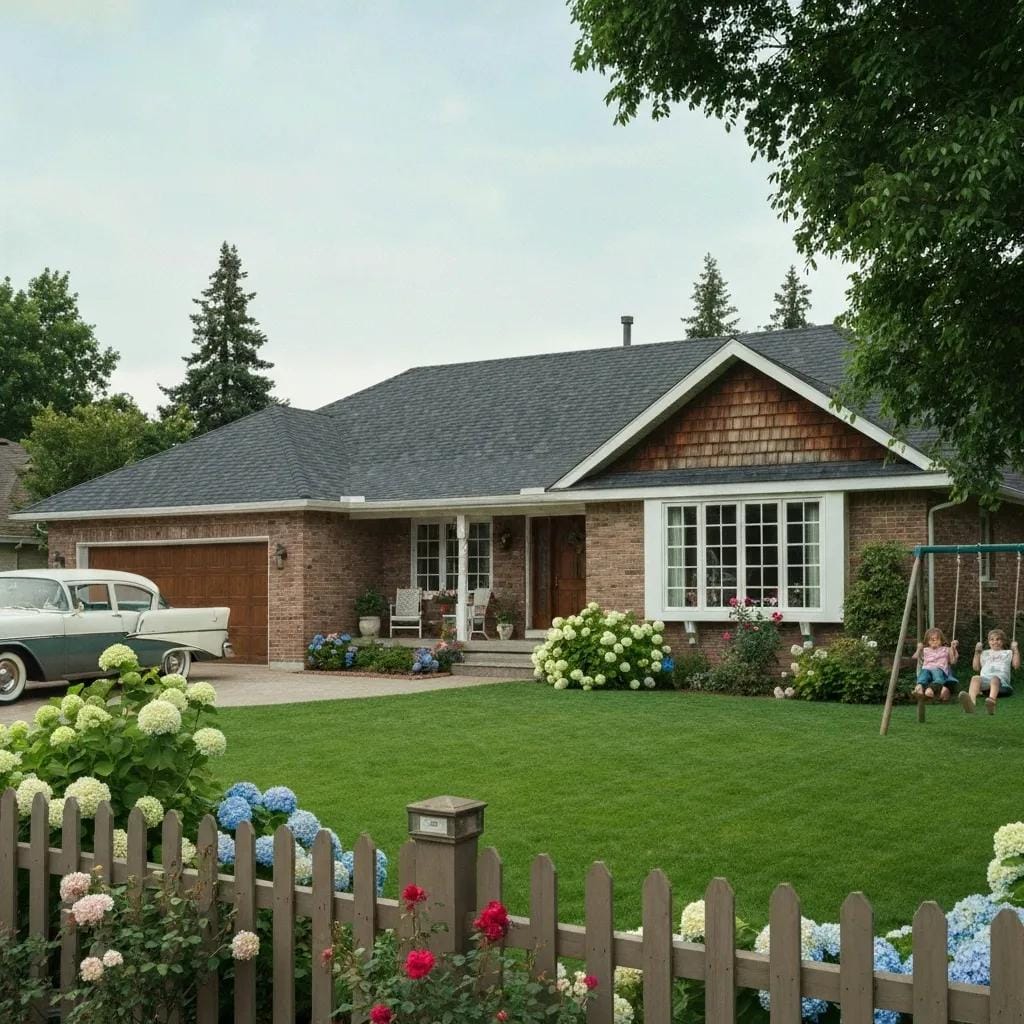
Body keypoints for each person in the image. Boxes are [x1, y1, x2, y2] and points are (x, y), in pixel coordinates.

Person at [959, 629, 1021, 715]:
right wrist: (977, 653)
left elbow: (1016, 665)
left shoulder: (1008, 652)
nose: (995, 642)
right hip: (986, 683)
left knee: (994, 679)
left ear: (1003, 641)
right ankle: (971, 703)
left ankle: (991, 702)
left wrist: (1016, 650)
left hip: (1002, 684)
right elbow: (976, 668)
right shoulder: (984, 653)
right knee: (975, 678)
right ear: (988, 642)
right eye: (992, 639)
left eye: (998, 639)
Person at [912, 627, 959, 702]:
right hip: (926, 669)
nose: (934, 641)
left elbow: (953, 661)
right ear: (927, 641)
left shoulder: (946, 649)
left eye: (937, 639)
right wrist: (918, 649)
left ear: (941, 640)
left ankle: (930, 690)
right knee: (923, 675)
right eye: (931, 639)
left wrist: (953, 648)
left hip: (939, 669)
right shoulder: (925, 650)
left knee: (937, 676)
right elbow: (914, 657)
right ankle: (919, 687)